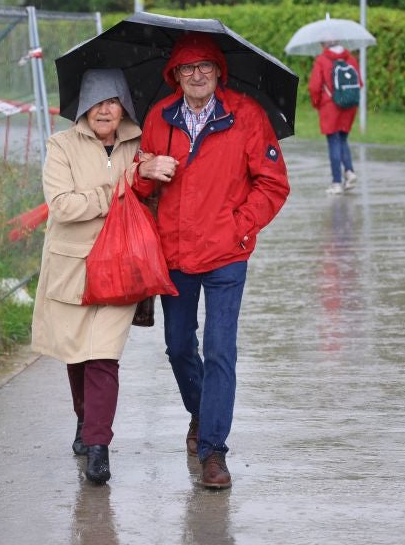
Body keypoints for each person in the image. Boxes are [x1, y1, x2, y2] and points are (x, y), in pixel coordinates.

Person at [133, 32, 290, 489]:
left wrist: (238, 227)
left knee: (221, 351)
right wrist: (145, 170)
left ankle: (214, 451)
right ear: (174, 75)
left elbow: (273, 184)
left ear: (219, 72)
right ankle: (202, 413)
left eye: (205, 67)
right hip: (175, 253)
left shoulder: (247, 116)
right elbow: (141, 186)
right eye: (187, 68)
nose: (196, 75)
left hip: (226, 255)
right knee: (179, 346)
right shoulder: (159, 119)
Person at [31, 68, 143, 485]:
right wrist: (119, 191)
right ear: (82, 107)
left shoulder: (141, 144)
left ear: (124, 106)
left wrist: (144, 180)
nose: (104, 110)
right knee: (77, 354)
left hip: (122, 264)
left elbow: (149, 197)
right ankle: (84, 419)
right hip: (71, 266)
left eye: (112, 101)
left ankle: (99, 445)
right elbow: (62, 206)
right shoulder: (60, 145)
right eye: (95, 102)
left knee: (103, 356)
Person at [308, 41, 362, 195]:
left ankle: (336, 182)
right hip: (349, 106)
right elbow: (360, 83)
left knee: (334, 142)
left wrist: (317, 103)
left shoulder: (322, 60)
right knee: (343, 139)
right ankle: (350, 172)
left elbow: (314, 86)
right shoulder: (350, 59)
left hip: (330, 107)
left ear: (323, 43)